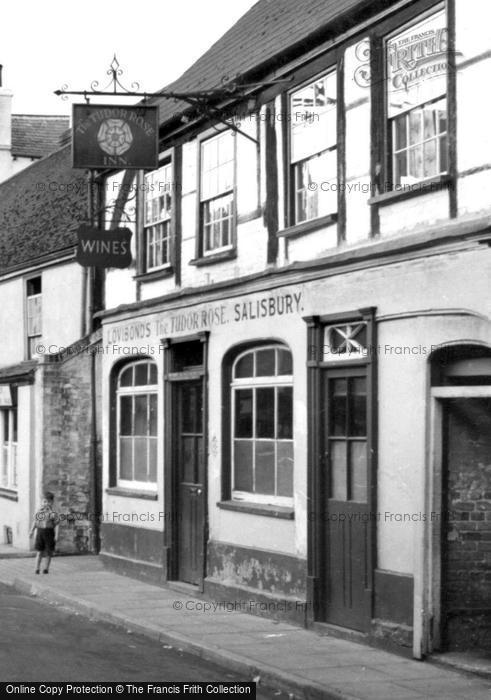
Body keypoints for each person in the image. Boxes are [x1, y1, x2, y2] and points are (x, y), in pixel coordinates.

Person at [29, 491, 60, 574]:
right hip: (40, 532)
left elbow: (57, 525)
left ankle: (46, 568)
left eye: (49, 502)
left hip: (49, 532)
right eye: (45, 502)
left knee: (49, 552)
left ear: (52, 502)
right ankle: (37, 568)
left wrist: (56, 535)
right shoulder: (39, 512)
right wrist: (31, 531)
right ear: (42, 502)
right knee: (39, 551)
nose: (46, 504)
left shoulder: (53, 513)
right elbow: (35, 522)